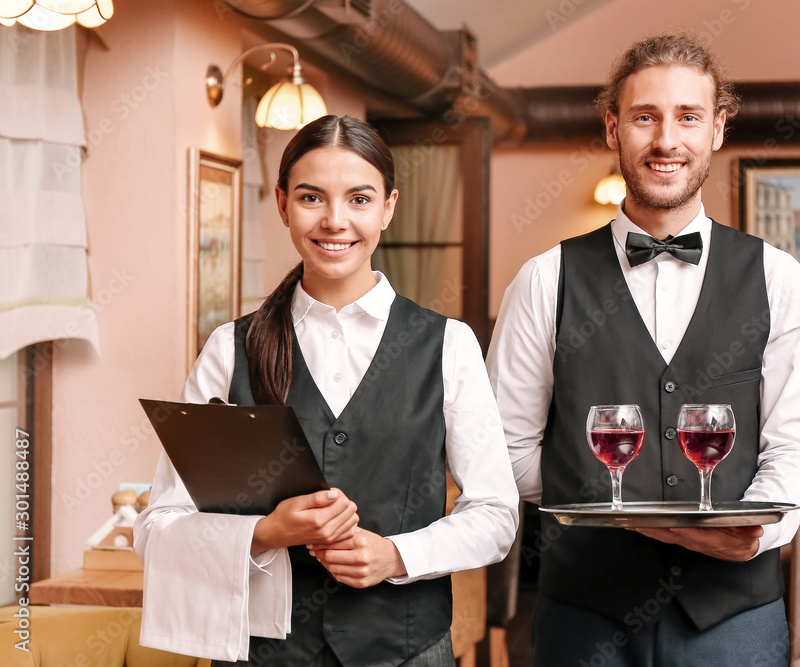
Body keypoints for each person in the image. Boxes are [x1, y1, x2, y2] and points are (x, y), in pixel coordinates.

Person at [486, 34, 800, 666]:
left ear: (718, 129)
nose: (667, 140)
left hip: (733, 615)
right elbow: (503, 448)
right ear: (614, 128)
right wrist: (608, 504)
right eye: (645, 117)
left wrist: (753, 535)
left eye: (688, 117)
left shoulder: (779, 277)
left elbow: (794, 445)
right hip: (585, 612)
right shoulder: (544, 278)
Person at [134, 115, 519, 666]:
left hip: (407, 651)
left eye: (359, 199)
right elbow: (158, 528)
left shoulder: (449, 345)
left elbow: (497, 514)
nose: (335, 221)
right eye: (312, 197)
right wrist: (265, 533)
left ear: (388, 206)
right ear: (283, 204)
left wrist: (396, 555)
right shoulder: (229, 349)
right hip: (265, 653)